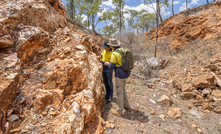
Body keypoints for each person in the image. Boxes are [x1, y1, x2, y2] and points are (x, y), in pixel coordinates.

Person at [104, 39, 131, 116]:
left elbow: (111, 66)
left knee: (119, 93)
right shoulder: (123, 50)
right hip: (127, 73)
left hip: (120, 75)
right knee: (123, 89)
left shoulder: (114, 53)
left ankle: (119, 111)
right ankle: (127, 105)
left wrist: (107, 64)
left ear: (112, 46)